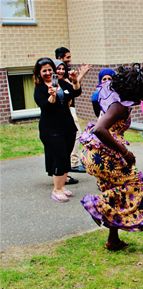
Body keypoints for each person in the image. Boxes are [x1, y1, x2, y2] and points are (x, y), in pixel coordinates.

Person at [80, 63, 143, 251]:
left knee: (115, 192)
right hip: (105, 153)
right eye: (142, 91)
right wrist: (125, 152)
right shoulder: (119, 107)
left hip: (94, 152)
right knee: (135, 183)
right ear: (134, 90)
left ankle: (113, 240)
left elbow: (135, 76)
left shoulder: (115, 89)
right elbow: (100, 129)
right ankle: (95, 203)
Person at [33, 57, 81, 202]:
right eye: (44, 71)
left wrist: (75, 80)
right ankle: (56, 189)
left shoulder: (60, 83)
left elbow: (75, 93)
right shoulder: (40, 88)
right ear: (39, 73)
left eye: (50, 70)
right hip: (51, 129)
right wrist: (52, 96)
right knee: (59, 158)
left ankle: (62, 186)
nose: (48, 73)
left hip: (67, 126)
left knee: (66, 157)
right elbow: (46, 106)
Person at [55, 47, 91, 175]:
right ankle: (73, 163)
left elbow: (74, 89)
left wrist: (80, 75)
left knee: (74, 134)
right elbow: (70, 89)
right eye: (67, 58)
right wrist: (81, 75)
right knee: (76, 134)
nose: (70, 60)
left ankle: (71, 163)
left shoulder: (66, 72)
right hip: (67, 109)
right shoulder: (59, 74)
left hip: (71, 108)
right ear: (60, 58)